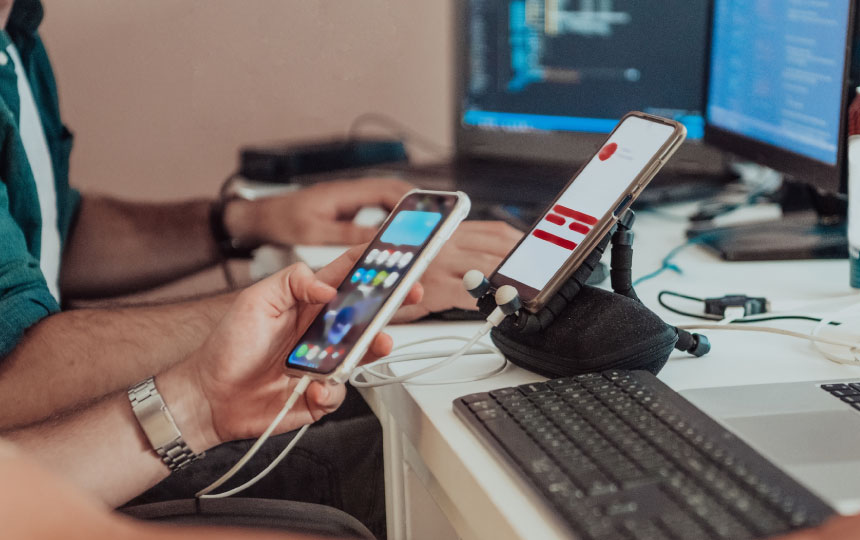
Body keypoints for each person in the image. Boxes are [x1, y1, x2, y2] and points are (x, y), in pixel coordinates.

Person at [0, 0, 523, 431]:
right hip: (41, 477)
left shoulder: (17, 32)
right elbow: (12, 376)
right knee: (406, 444)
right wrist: (349, 300)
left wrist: (247, 220)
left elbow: (53, 231)